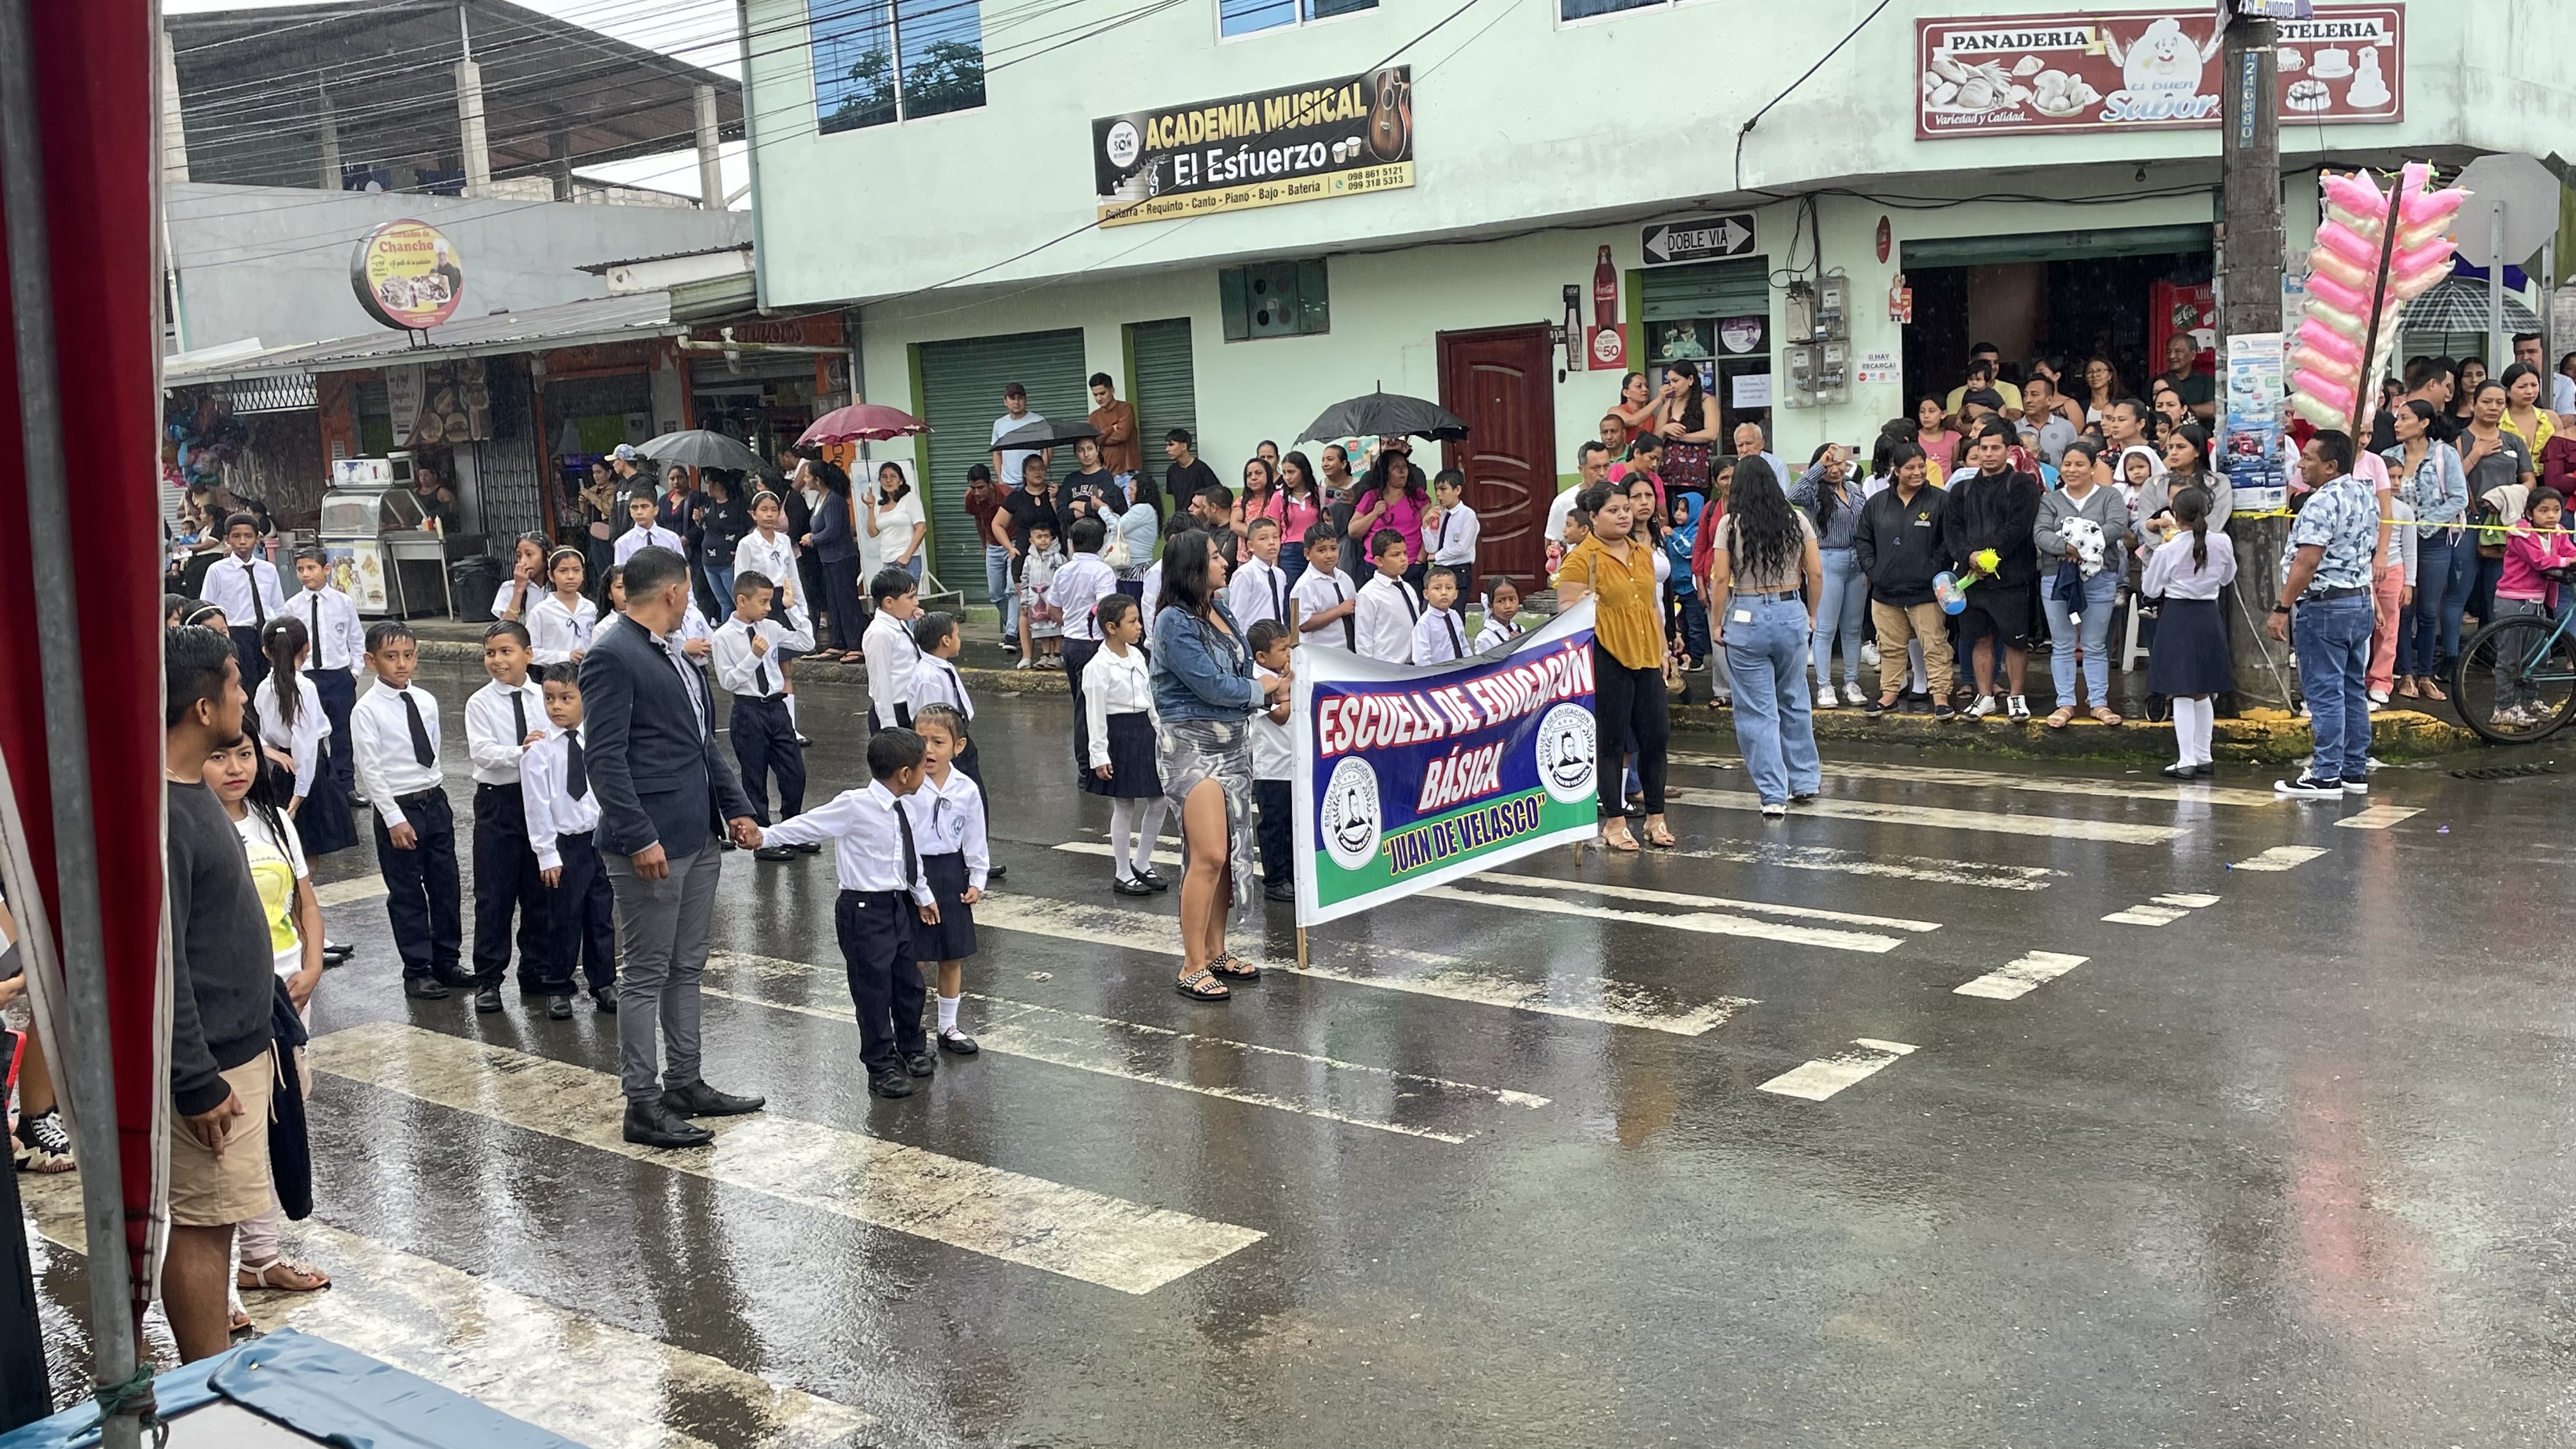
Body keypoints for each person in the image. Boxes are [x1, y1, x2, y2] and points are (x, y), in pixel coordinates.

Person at [581, 545, 766, 1147]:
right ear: (671, 592)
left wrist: (737, 806)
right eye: (688, 590)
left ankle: (685, 1083)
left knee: (687, 966)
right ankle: (642, 1102)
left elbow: (700, 741)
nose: (691, 599)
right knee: (645, 973)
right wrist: (639, 836)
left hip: (697, 833)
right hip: (650, 843)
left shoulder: (674, 651)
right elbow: (604, 759)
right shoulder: (613, 654)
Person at [160, 624, 279, 1361]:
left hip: (236, 1045)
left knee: (221, 1218)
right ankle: (202, 1381)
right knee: (204, 1223)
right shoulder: (166, 812)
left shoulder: (189, 789)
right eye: (236, 685)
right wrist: (194, 1078)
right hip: (210, 1063)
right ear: (204, 708)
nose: (244, 698)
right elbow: (162, 959)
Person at [199, 732, 332, 1321]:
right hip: (230, 1005)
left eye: (245, 754)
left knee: (278, 1124)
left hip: (287, 998)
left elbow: (306, 904)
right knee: (229, 1143)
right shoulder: (190, 825)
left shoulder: (274, 821)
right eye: (218, 756)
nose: (236, 768)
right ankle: (216, 1286)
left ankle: (260, 1259)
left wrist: (313, 966)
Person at [758, 730, 940, 1099]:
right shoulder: (855, 805)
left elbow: (908, 857)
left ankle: (911, 1047)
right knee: (873, 992)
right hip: (863, 911)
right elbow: (808, 824)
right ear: (905, 774)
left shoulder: (904, 806)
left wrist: (922, 895)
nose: (927, 772)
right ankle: (880, 1067)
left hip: (897, 905)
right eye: (923, 767)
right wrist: (764, 836)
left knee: (909, 983)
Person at [1152, 530, 1285, 1000]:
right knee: (1208, 854)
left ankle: (1215, 951)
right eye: (1214, 557)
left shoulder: (1220, 608)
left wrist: (1271, 685)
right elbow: (1212, 685)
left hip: (1233, 745)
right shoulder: (1173, 621)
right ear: (1192, 567)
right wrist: (1264, 690)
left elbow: (1241, 670)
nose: (1224, 562)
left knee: (1227, 854)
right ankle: (1191, 964)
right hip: (1190, 747)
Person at [1558, 481, 1683, 842]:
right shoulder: (1581, 559)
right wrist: (1581, 603)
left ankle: (1655, 818)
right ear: (1594, 517)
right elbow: (1565, 608)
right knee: (1612, 742)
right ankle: (1614, 821)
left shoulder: (1642, 553)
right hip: (1608, 655)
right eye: (1613, 511)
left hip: (1646, 654)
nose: (1624, 516)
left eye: (1626, 509)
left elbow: (1651, 606)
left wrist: (1663, 651)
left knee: (1655, 738)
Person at [349, 621, 460, 997]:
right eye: (391, 656)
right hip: (399, 807)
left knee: (446, 887)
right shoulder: (366, 710)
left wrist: (435, 793)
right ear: (371, 661)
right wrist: (394, 818)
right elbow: (370, 769)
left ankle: (447, 960)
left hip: (434, 800)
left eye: (408, 656)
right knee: (408, 893)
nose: (401, 664)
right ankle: (417, 969)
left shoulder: (425, 700)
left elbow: (433, 748)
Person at [2267, 432, 2380, 799]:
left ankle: (2326, 773)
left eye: (2309, 459)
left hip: (2326, 605)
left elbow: (2308, 560)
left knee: (2325, 693)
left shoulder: (2321, 502)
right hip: (2358, 601)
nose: (2301, 465)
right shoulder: (2364, 493)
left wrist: (2282, 607)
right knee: (2352, 689)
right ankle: (2353, 769)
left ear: (2331, 466)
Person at [519, 666, 617, 1017]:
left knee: (601, 915)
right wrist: (547, 853)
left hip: (600, 841)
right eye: (549, 698)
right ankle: (557, 986)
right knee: (563, 918)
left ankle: (603, 982)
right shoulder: (539, 749)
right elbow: (537, 805)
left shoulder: (600, 739)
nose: (556, 706)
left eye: (566, 698)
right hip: (565, 845)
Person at [462, 621, 548, 1015]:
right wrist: (523, 752)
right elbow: (482, 752)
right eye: (490, 653)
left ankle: (536, 970)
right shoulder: (480, 702)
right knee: (494, 895)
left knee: (539, 890)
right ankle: (489, 979)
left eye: (506, 651)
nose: (497, 660)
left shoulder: (543, 697)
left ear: (528, 654)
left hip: (540, 800)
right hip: (499, 802)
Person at [1943, 418, 2046, 720]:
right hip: (1972, 579)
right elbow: (1953, 531)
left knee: (2015, 641)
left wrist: (1990, 558)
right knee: (1980, 639)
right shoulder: (1961, 489)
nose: (1988, 454)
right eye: (1983, 448)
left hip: (2012, 579)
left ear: (2008, 450)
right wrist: (1969, 557)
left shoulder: (2022, 485)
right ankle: (1984, 696)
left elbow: (2018, 528)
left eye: (1995, 448)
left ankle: (2016, 697)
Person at [903, 703, 989, 1056]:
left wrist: (978, 879)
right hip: (913, 873)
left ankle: (948, 1027)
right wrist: (916, 886)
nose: (928, 749)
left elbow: (975, 835)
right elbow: (901, 839)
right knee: (913, 958)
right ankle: (907, 1030)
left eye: (938, 742)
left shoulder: (966, 788)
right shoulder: (906, 784)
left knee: (951, 955)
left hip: (951, 872)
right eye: (921, 740)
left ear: (958, 746)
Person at [714, 570, 813, 861]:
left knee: (794, 773)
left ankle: (792, 829)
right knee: (755, 778)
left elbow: (806, 643)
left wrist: (792, 610)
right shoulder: (723, 637)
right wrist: (753, 657)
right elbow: (728, 682)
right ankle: (763, 840)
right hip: (748, 710)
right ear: (742, 601)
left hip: (776, 708)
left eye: (771, 601)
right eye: (763, 602)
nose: (769, 608)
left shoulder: (769, 627)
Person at [2034, 440, 2133, 728]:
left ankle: (2098, 702)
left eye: (2079, 464)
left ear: (2092, 468)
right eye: (2067, 464)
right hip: (2057, 578)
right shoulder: (2050, 500)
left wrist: (2083, 547)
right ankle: (2065, 702)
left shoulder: (2110, 496)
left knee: (2095, 644)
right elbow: (2040, 533)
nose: (2072, 470)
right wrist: (2066, 547)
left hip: (2100, 577)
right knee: (2063, 643)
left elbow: (2116, 525)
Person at [2140, 486, 2236, 778]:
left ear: (2176, 515)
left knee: (2181, 689)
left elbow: (2150, 588)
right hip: (2208, 614)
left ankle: (2186, 760)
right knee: (2203, 689)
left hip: (2179, 615)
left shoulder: (2168, 548)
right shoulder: (2223, 541)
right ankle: (2204, 756)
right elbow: (2228, 577)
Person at [1853, 442, 1955, 718]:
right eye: (1910, 468)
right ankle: (1889, 695)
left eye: (1922, 466)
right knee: (1890, 647)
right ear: (1896, 471)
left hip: (1926, 591)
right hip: (1885, 592)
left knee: (1935, 645)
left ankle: (1941, 697)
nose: (1918, 472)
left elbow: (1948, 542)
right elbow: (1864, 541)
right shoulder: (1877, 503)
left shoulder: (1940, 500)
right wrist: (1874, 571)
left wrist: (1932, 570)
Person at [2386, 399, 2472, 698]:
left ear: (2423, 423)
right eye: (2397, 418)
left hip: (2433, 540)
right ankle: (2405, 673)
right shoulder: (2388, 457)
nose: (2397, 424)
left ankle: (2426, 674)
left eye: (2404, 418)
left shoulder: (2444, 454)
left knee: (2427, 610)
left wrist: (2422, 525)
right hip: (2397, 541)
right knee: (2402, 608)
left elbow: (2459, 498)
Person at [1084, 594, 1169, 896]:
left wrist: (1161, 733)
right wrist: (1099, 755)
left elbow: (1150, 699)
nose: (1139, 626)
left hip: (1144, 731)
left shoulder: (1137, 656)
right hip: (1118, 734)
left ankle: (1142, 861)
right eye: (1132, 622)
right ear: (1112, 627)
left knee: (1160, 799)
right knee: (1124, 804)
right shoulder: (1098, 666)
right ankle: (1122, 871)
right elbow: (1094, 715)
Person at [253, 618, 356, 858]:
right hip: (309, 771)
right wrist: (301, 793)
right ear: (307, 646)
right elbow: (305, 743)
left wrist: (270, 758)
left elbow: (262, 731)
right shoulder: (305, 687)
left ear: (266, 651)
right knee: (307, 854)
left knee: (287, 848)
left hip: (282, 767)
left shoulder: (263, 687)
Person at [2487, 489, 2576, 727]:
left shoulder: (2558, 532)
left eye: (2556, 510)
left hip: (2538, 602)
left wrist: (2571, 557)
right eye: (2544, 511)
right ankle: (2504, 708)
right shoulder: (2521, 534)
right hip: (2513, 601)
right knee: (2510, 658)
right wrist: (2567, 561)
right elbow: (2539, 561)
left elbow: (2570, 551)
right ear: (2529, 513)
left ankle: (2530, 702)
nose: (2551, 516)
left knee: (2539, 657)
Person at [288, 548, 365, 808]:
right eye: (300, 569)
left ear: (327, 569)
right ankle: (319, 788)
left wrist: (354, 672)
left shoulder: (343, 602)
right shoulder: (293, 606)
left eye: (311, 568)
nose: (305, 574)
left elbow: (356, 639)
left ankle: (346, 787)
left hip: (339, 677)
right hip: (308, 677)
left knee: (342, 734)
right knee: (311, 735)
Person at [1792, 444, 1867, 709]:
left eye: (1839, 463)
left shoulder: (1855, 489)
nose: (1835, 469)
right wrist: (1819, 467)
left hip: (1857, 562)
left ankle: (1851, 682)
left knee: (1853, 627)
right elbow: (1793, 494)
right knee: (1825, 628)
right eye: (1829, 464)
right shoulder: (1814, 493)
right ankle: (1824, 686)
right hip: (1827, 559)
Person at [2461, 379, 2538, 628]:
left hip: (2506, 521)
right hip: (2469, 520)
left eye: (2499, 403)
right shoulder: (2460, 439)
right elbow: (2452, 479)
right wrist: (2477, 454)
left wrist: (2506, 497)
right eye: (2486, 402)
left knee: (2497, 587)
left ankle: (2493, 645)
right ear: (2473, 404)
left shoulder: (2514, 441)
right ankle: (2455, 648)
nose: (2493, 407)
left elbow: (2529, 481)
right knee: (2462, 589)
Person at [1053, 514, 1119, 776]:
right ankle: (1091, 764)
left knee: (1082, 704)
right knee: (1095, 706)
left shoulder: (1063, 571)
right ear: (1101, 544)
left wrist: (1070, 623)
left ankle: (1087, 763)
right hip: (1094, 644)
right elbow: (1106, 609)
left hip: (1071, 643)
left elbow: (1053, 607)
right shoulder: (1102, 571)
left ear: (1071, 543)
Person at [201, 512, 286, 696]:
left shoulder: (268, 569)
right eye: (236, 536)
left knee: (270, 684)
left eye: (248, 536)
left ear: (257, 538)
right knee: (243, 685)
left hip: (266, 633)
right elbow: (208, 608)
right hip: (236, 634)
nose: (242, 542)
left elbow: (278, 606)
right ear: (227, 539)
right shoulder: (217, 571)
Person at [1246, 619, 1298, 903]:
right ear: (1262, 656)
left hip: (1293, 761)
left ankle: (1291, 875)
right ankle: (1275, 880)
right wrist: (1286, 690)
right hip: (1271, 766)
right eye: (1282, 649)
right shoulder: (1257, 680)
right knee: (1274, 825)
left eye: (1289, 647)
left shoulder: (1282, 673)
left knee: (1292, 824)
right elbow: (1280, 715)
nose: (1288, 653)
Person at [803, 457, 863, 663]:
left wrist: (813, 539)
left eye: (808, 476)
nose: (805, 480)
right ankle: (838, 642)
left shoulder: (834, 500)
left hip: (842, 558)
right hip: (828, 559)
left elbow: (833, 530)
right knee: (834, 602)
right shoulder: (820, 500)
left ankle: (856, 644)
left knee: (847, 601)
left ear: (818, 480)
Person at [1349, 438, 1430, 585]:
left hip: (1411, 566)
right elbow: (1353, 531)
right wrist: (1374, 513)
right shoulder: (1371, 497)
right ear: (1385, 473)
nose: (1402, 471)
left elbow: (1429, 531)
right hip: (1376, 567)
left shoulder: (1418, 496)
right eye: (1396, 468)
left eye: (1404, 467)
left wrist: (1420, 560)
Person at [1354, 528, 1422, 663]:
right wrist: (1370, 669)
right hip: (1387, 666)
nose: (1403, 559)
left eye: (1405, 553)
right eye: (1396, 555)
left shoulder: (1408, 588)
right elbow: (1363, 638)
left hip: (1414, 664)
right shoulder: (1368, 594)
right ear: (1379, 561)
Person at [526, 546, 600, 670]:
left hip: (588, 672)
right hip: (555, 674)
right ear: (551, 575)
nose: (571, 576)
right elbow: (531, 653)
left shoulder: (591, 608)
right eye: (563, 571)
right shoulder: (541, 612)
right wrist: (566, 656)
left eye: (576, 570)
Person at [1545, 443, 1615, 568]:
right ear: (1581, 469)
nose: (1602, 473)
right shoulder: (1563, 502)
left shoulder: (1620, 495)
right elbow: (1553, 542)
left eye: (1606, 466)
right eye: (1596, 468)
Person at [1290, 523, 1356, 652]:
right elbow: (1303, 624)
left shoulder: (1344, 578)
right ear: (1307, 553)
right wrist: (1340, 610)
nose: (1329, 555)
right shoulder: (1304, 586)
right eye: (1322, 550)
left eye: (1333, 548)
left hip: (1349, 652)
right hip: (1322, 655)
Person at [1016, 518, 1066, 670]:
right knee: (1041, 628)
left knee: (1056, 626)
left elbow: (1064, 579)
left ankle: (1057, 655)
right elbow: (1024, 581)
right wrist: (1025, 601)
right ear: (1031, 540)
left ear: (1051, 538)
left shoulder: (1058, 558)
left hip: (1054, 600)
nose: (1044, 540)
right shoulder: (1029, 560)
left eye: (1046, 536)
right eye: (1039, 537)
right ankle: (1046, 655)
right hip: (1036, 601)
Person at [865, 461, 928, 580]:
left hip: (907, 561)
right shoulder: (880, 504)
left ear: (901, 480)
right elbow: (873, 533)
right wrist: (870, 508)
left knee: (906, 592)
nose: (888, 480)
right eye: (884, 477)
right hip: (887, 561)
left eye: (893, 476)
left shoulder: (909, 498)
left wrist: (907, 556)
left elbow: (921, 528)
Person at [1227, 514, 1291, 631]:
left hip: (1277, 636)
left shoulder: (1280, 574)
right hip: (1254, 637)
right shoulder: (1246, 574)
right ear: (1251, 546)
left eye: (1275, 537)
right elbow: (1237, 615)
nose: (1271, 542)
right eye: (1263, 539)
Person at [698, 471, 751, 611]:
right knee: (724, 604)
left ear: (717, 485)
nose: (706, 486)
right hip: (709, 561)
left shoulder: (738, 506)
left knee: (738, 602)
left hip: (728, 561)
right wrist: (699, 520)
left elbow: (751, 529)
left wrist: (741, 550)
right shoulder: (708, 503)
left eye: (708, 483)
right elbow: (706, 528)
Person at [1424, 468, 1480, 594]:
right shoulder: (1439, 513)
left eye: (1443, 489)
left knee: (1456, 604)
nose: (1438, 494)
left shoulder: (1468, 515)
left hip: (1458, 570)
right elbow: (1431, 548)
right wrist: (1425, 525)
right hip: (1439, 569)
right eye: (1436, 489)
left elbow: (1462, 548)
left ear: (1457, 490)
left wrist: (1437, 556)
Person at [1275, 450, 1325, 585]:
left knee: (1318, 587)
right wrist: (1274, 562)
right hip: (1289, 552)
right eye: (1284, 473)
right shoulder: (1278, 497)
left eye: (1292, 472)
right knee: (1292, 591)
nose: (1287, 477)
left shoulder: (1320, 494)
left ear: (1303, 471)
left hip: (1316, 547)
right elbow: (1274, 533)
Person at [990, 381, 1051, 486]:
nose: (1017, 402)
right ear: (1005, 402)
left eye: (1020, 398)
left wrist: (1038, 473)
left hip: (1032, 484)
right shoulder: (999, 424)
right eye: (1012, 398)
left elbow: (1048, 451)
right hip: (1008, 483)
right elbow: (997, 454)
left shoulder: (1038, 421)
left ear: (1026, 400)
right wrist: (1000, 480)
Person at [1407, 565, 1470, 666]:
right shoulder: (1424, 623)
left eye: (1449, 588)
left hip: (1461, 669)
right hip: (1438, 672)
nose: (1444, 593)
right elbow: (1421, 659)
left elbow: (1464, 646)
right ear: (1426, 594)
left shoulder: (1455, 616)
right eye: (1437, 588)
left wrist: (1470, 665)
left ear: (1456, 594)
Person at [1087, 372, 1142, 480]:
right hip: (1107, 473)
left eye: (1102, 393)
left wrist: (1101, 438)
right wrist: (1111, 429)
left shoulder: (1125, 408)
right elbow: (1093, 442)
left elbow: (1122, 435)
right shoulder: (1093, 417)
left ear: (1112, 391)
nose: (1099, 399)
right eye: (1095, 395)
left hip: (1129, 472)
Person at [2499, 361, 2558, 458]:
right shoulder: (2498, 419)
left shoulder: (2551, 418)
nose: (2530, 391)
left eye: (2534, 385)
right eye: (2522, 387)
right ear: (2507, 391)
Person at [2020, 375, 2081, 466]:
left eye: (2034, 394)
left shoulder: (2066, 427)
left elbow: (2076, 460)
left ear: (2049, 400)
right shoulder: (2013, 428)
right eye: (2025, 395)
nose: (2027, 400)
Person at [616, 491, 685, 566]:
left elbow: (683, 568)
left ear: (656, 510)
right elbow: (621, 572)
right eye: (635, 508)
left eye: (644, 507)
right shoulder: (623, 543)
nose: (639, 512)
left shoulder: (672, 538)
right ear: (630, 512)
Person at [2159, 332, 2215, 422]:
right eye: (2168, 352)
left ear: (2193, 355)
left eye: (2178, 351)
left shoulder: (2206, 381)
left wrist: (2177, 409)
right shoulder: (2157, 382)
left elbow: (2212, 410)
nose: (2171, 356)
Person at [1163, 428, 1221, 516]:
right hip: (1181, 518)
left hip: (1198, 519)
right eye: (1167, 446)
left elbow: (1217, 492)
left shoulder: (1201, 469)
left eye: (1171, 445)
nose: (1167, 449)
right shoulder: (1171, 471)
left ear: (1184, 446)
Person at [494, 532, 548, 622]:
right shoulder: (508, 588)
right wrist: (518, 589)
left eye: (529, 554)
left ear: (547, 556)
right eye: (519, 556)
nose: (523, 561)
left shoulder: (558, 586)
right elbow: (506, 627)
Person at [1475, 575, 1526, 652]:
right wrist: (1509, 647)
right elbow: (1485, 659)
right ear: (1490, 606)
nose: (1508, 606)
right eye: (1501, 601)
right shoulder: (1485, 637)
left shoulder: (1521, 630)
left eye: (1512, 599)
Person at [1609, 370, 1659, 445]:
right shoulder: (1615, 411)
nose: (1645, 389)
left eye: (1647, 386)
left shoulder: (1652, 417)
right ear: (1626, 393)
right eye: (1639, 386)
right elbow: (1632, 421)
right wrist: (1659, 399)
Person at [2075, 355, 2122, 424]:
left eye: (2099, 370)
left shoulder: (2123, 403)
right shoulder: (2079, 405)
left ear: (2110, 375)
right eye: (2090, 372)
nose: (2094, 375)